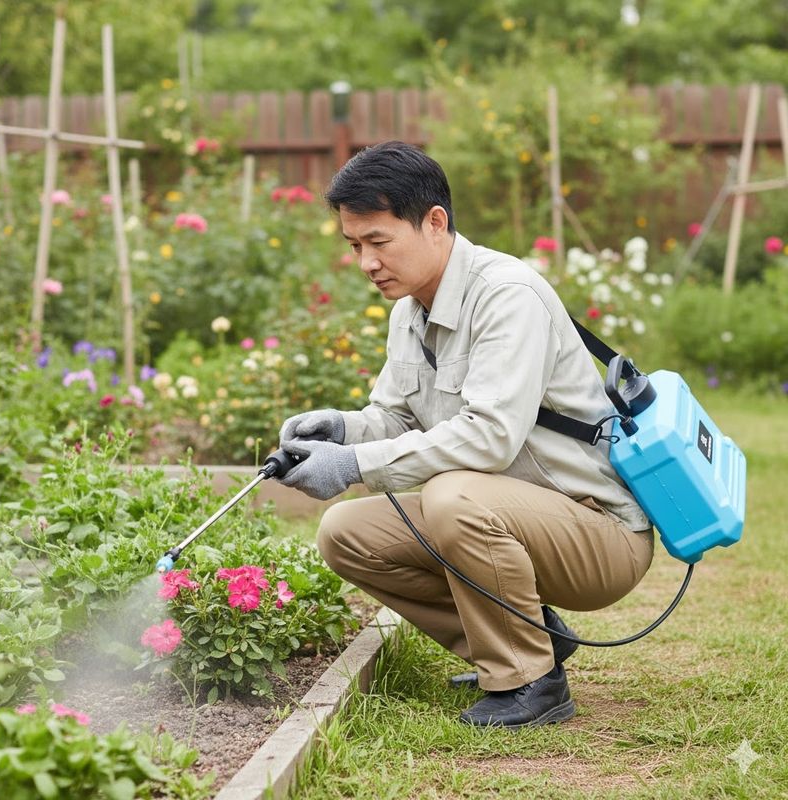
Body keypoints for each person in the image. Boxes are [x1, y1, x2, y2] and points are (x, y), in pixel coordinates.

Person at [276, 140, 654, 729]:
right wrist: (342, 428)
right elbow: (397, 417)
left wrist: (352, 465)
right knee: (344, 533)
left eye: (378, 242)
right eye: (354, 246)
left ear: (434, 222)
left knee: (453, 494)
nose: (366, 263)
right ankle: (531, 641)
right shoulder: (411, 312)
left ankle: (530, 683)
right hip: (510, 515)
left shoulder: (507, 296)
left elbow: (489, 439)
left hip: (598, 531)